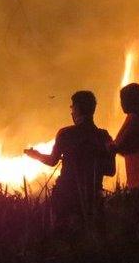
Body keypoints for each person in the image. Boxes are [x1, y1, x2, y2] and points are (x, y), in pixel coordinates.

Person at [25, 90, 115, 226]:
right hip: (92, 197)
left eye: (72, 107)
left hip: (66, 196)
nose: (71, 112)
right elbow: (110, 170)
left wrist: (36, 155)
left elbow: (52, 161)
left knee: (62, 236)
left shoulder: (66, 134)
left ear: (77, 109)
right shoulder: (103, 136)